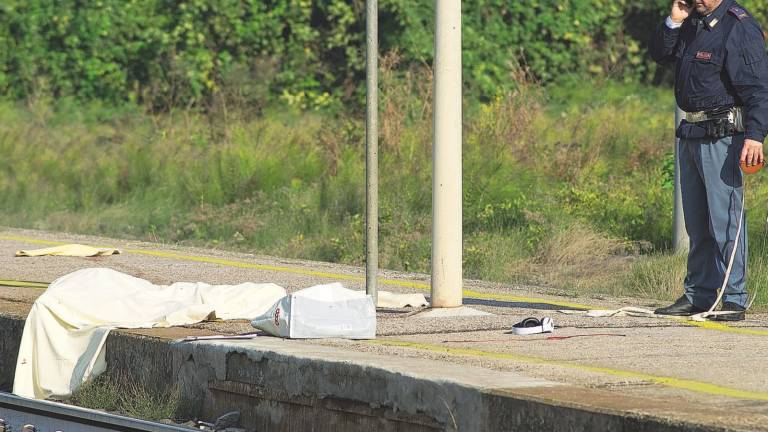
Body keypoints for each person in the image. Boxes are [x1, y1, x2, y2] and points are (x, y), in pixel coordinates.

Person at [651, 0, 768, 321]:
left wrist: (755, 136)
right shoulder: (692, 22)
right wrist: (673, 22)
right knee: (697, 221)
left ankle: (733, 297)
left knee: (725, 220)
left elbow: (759, 88)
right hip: (692, 130)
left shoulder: (738, 26)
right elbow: (661, 55)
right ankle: (700, 294)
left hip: (723, 135)